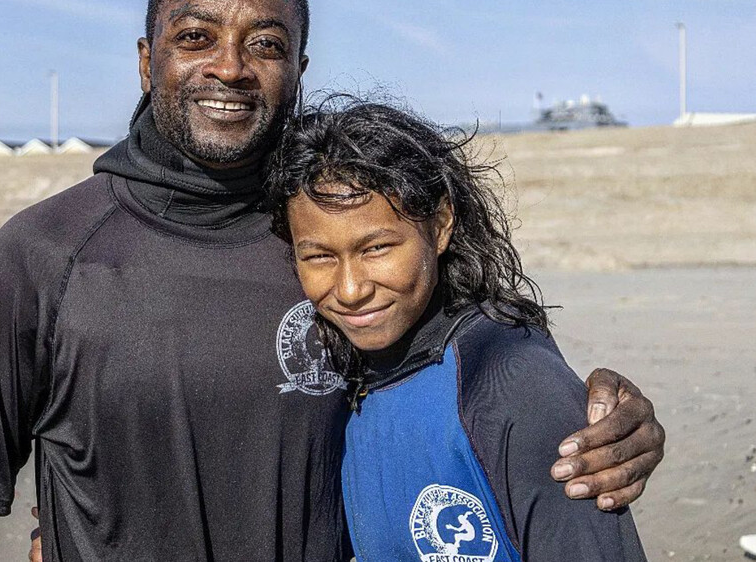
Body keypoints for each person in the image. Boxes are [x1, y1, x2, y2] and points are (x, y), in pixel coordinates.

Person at [0, 0, 664, 562]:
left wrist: (607, 415)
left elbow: (484, 367)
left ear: (298, 68)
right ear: (144, 58)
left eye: (264, 43)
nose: (228, 65)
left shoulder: (331, 235)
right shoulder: (47, 254)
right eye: (194, 37)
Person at [265, 98, 647, 560]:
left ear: (442, 223)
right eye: (319, 256)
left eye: (378, 248)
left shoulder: (512, 383)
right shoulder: (345, 379)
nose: (349, 290)